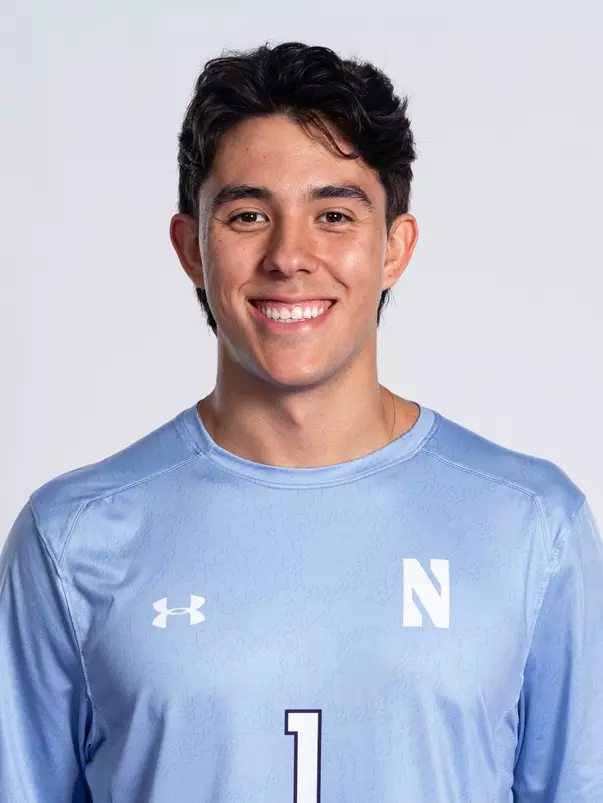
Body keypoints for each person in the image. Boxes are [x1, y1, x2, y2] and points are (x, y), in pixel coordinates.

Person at [1, 40, 602, 803]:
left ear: (394, 247)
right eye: (249, 214)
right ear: (191, 247)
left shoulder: (533, 528)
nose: (290, 254)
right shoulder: (70, 538)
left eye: (334, 214)